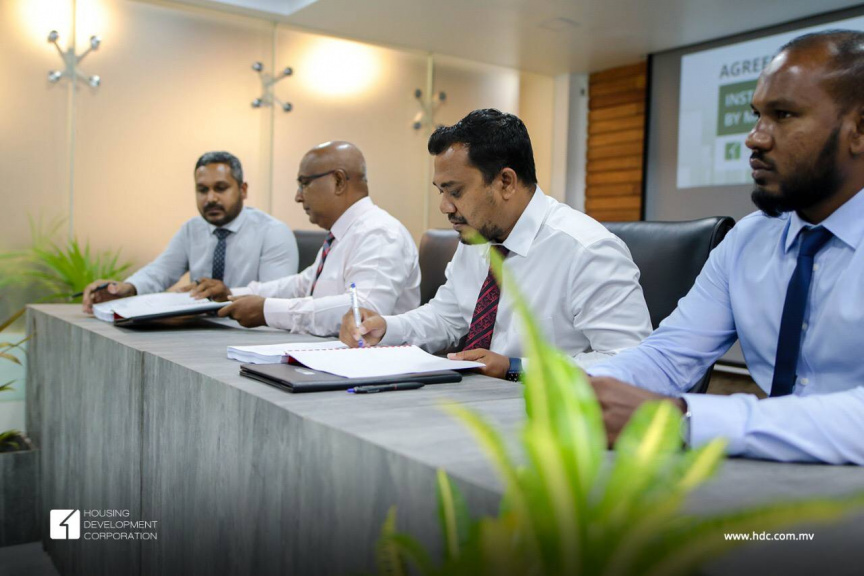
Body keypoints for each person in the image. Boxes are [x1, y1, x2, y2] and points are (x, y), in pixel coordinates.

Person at [588, 30, 864, 465]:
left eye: (784, 115)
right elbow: (669, 358)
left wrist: (682, 418)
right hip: (773, 477)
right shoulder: (747, 241)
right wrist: (590, 386)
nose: (755, 138)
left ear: (859, 130)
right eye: (757, 116)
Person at [340, 109, 652, 379]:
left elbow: (630, 361)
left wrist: (516, 368)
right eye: (441, 192)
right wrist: (385, 328)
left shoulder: (587, 251)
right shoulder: (479, 236)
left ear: (506, 182)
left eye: (455, 192)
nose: (445, 207)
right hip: (478, 403)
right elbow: (446, 317)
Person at [196, 141, 420, 337]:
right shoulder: (343, 234)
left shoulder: (379, 233)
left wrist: (267, 311)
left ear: (339, 181)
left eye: (304, 183)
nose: (298, 196)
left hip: (374, 367)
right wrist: (232, 294)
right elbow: (301, 286)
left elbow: (362, 310)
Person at [82, 151, 298, 312]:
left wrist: (229, 295)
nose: (211, 198)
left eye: (221, 188)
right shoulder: (192, 229)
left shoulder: (273, 232)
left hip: (252, 335)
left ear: (243, 190)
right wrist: (127, 287)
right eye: (202, 190)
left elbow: (276, 298)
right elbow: (160, 271)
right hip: (199, 329)